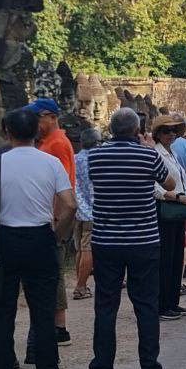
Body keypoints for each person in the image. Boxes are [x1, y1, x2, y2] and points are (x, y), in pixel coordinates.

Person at [0, 107, 74, 369]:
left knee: (2, 310)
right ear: (37, 131)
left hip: (4, 239)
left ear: (7, 132)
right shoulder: (50, 162)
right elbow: (69, 204)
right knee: (43, 310)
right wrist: (56, 235)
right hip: (41, 237)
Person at [86, 108, 174, 369]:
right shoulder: (148, 155)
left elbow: (91, 182)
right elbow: (169, 183)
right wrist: (149, 148)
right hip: (143, 241)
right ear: (137, 131)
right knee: (146, 306)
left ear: (111, 130)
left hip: (107, 241)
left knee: (105, 307)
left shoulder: (96, 156)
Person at [29, 98, 75, 347]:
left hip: (53, 218)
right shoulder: (47, 142)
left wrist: (56, 224)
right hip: (50, 216)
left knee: (53, 273)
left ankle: (59, 326)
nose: (34, 123)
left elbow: (62, 187)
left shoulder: (56, 143)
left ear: (50, 117)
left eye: (37, 118)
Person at [152, 115, 186, 321]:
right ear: (158, 134)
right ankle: (163, 304)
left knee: (176, 256)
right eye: (166, 131)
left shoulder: (172, 153)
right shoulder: (155, 154)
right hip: (166, 206)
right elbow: (155, 187)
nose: (171, 134)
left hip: (178, 207)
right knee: (166, 258)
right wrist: (177, 197)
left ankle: (172, 301)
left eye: (173, 131)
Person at [71, 127, 100, 300]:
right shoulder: (99, 159)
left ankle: (80, 283)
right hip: (93, 211)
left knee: (79, 250)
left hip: (76, 210)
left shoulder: (74, 159)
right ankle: (81, 287)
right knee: (88, 249)